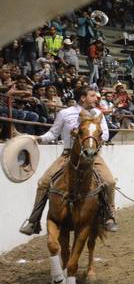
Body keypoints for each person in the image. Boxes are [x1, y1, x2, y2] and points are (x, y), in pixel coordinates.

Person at [19, 86, 118, 236]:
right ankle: (34, 220)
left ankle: (109, 216)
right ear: (83, 98)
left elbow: (104, 135)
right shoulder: (65, 113)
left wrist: (86, 135)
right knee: (43, 183)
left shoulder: (98, 114)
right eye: (92, 95)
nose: (96, 98)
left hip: (92, 156)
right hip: (68, 155)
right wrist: (39, 138)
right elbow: (53, 133)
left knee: (109, 182)